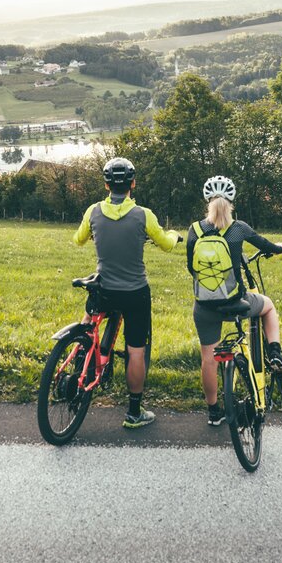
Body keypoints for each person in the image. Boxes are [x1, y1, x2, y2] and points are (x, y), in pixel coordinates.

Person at [73, 156, 180, 429]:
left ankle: (77, 368)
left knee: (88, 324)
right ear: (133, 183)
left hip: (104, 288)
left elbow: (78, 239)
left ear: (107, 184)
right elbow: (167, 245)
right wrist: (174, 235)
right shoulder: (144, 215)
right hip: (134, 293)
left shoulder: (93, 211)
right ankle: (134, 412)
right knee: (135, 350)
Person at [187, 175, 282, 426]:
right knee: (267, 306)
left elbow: (192, 268)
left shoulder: (195, 229)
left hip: (205, 306)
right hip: (236, 302)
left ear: (207, 200)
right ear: (232, 201)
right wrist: (281, 247)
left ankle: (213, 412)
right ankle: (274, 352)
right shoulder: (239, 228)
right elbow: (267, 245)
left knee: (208, 358)